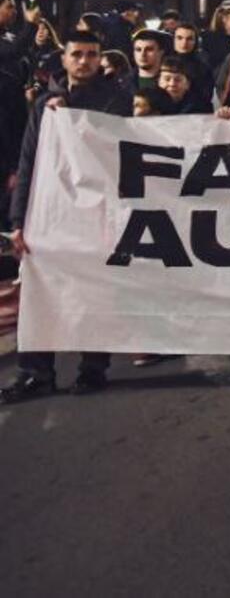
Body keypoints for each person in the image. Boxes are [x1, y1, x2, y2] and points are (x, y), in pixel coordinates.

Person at [4, 26, 133, 403]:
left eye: (91, 55)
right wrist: (17, 221)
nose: (84, 61)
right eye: (77, 54)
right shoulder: (45, 103)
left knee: (95, 289)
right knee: (40, 291)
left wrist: (71, 115)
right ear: (64, 58)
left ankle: (93, 368)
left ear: (100, 58)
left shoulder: (116, 100)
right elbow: (28, 162)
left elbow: (119, 149)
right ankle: (35, 372)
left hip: (96, 212)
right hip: (50, 213)